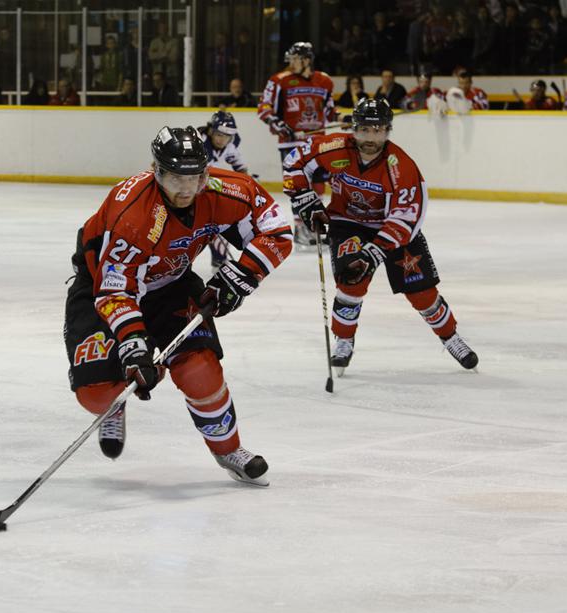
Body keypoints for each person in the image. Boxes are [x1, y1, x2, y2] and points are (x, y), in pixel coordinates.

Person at [63, 126, 292, 485]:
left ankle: (228, 449)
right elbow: (114, 289)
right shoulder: (133, 214)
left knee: (200, 370)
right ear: (156, 171)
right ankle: (114, 405)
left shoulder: (226, 189)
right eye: (174, 178)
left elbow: (276, 231)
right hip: (101, 289)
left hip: (171, 284)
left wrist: (241, 275)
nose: (186, 189)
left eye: (194, 178)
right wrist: (134, 345)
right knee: (96, 394)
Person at [282, 98, 478, 374]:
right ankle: (344, 340)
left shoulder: (401, 166)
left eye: (378, 130)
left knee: (422, 293)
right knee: (351, 281)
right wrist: (305, 199)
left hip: (393, 231)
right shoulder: (334, 147)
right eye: (364, 129)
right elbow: (295, 160)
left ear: (387, 131)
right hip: (348, 224)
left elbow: (406, 217)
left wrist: (375, 251)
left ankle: (450, 337)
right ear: (354, 128)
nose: (370, 138)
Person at [257, 41, 337, 247]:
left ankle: (314, 224)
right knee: (298, 184)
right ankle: (300, 228)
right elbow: (264, 108)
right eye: (291, 59)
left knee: (319, 184)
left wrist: (343, 118)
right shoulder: (279, 80)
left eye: (295, 59)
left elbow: (329, 111)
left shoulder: (324, 81)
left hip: (317, 142)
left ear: (307, 60)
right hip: (291, 145)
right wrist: (279, 125)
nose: (291, 63)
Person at [199, 110, 250, 267]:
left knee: (222, 219)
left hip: (201, 189)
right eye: (219, 135)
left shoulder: (230, 146)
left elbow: (241, 169)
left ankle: (219, 259)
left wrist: (247, 186)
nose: (222, 140)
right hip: (184, 189)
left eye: (227, 136)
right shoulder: (198, 142)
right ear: (211, 131)